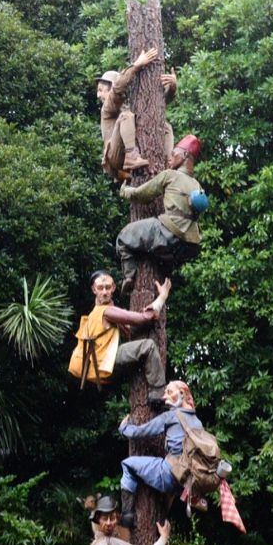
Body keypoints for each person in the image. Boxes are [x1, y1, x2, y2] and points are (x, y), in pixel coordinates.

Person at [115, 133, 208, 291]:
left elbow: (141, 195)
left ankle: (129, 276)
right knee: (162, 261)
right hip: (189, 245)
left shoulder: (170, 175)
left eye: (173, 154)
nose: (170, 158)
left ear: (185, 155)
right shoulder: (197, 185)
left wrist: (124, 190)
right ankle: (164, 286)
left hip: (169, 233)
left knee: (123, 238)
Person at [68, 270, 171, 401]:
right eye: (100, 288)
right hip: (105, 364)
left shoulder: (95, 312)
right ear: (94, 290)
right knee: (148, 345)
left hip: (100, 368)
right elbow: (145, 318)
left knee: (137, 350)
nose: (104, 292)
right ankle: (158, 393)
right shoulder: (107, 311)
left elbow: (130, 331)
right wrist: (162, 297)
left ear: (114, 288)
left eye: (108, 287)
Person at [98, 47, 180, 184]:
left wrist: (172, 88)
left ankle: (166, 164)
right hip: (117, 157)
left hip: (132, 155)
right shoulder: (107, 109)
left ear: (110, 87)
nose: (98, 95)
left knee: (165, 126)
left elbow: (157, 106)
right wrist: (136, 65)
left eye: (101, 90)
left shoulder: (128, 107)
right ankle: (132, 155)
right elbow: (118, 89)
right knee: (126, 116)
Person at [117, 380, 195, 524]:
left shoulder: (171, 416)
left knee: (127, 464)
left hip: (170, 474)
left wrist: (124, 428)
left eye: (169, 392)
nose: (164, 397)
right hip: (187, 480)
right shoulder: (197, 422)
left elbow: (140, 433)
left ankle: (127, 514)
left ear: (182, 394)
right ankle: (164, 518)